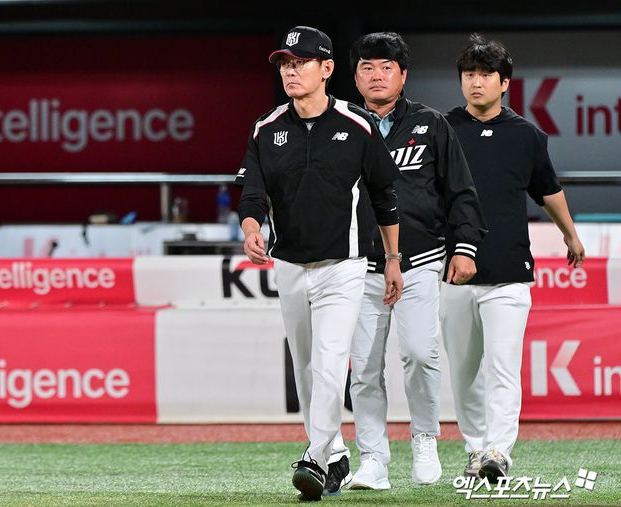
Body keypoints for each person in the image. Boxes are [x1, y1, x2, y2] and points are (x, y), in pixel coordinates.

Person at [235, 25, 404, 502]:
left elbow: (385, 195)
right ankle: (334, 455)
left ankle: (313, 457)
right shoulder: (267, 128)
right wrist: (251, 228)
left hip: (343, 264)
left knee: (331, 363)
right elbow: (251, 194)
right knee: (306, 368)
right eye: (285, 64)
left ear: (327, 68)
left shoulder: (357, 124)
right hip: (289, 264)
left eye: (301, 62)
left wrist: (393, 259)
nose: (291, 71)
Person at [341, 32, 487, 490]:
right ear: (355, 77)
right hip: (358, 265)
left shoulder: (431, 124)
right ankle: (373, 458)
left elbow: (460, 189)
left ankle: (424, 437)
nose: (376, 75)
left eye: (386, 67)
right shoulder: (342, 125)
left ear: (403, 75)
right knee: (364, 367)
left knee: (421, 354)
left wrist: (465, 246)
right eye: (367, 67)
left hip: (421, 260)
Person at [441, 33, 586, 483]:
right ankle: (474, 448)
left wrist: (571, 236)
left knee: (503, 366)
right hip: (452, 272)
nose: (476, 82)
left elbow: (548, 191)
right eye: (469, 74)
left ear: (505, 82)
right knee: (464, 372)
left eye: (485, 75)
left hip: (508, 271)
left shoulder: (527, 135)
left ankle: (497, 451)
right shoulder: (442, 130)